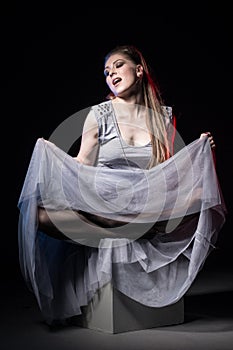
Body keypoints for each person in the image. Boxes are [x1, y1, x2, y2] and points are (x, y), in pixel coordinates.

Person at [18, 45, 226, 326]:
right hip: (105, 196)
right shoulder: (99, 114)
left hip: (144, 197)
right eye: (106, 72)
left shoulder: (161, 118)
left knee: (201, 195)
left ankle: (134, 222)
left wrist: (202, 150)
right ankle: (132, 224)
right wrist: (54, 158)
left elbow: (168, 171)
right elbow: (83, 165)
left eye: (117, 66)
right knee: (40, 215)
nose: (110, 73)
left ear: (139, 70)